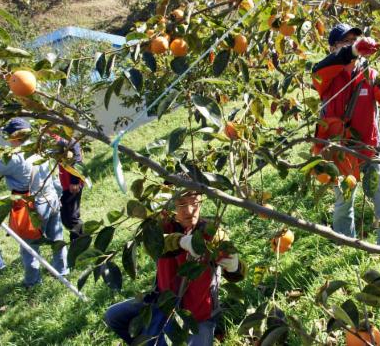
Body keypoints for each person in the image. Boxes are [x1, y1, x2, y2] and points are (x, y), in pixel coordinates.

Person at [104, 190, 246, 345]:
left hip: (199, 316)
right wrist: (180, 241)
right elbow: (154, 244)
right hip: (162, 303)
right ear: (171, 206)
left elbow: (237, 273)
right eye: (182, 204)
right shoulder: (164, 227)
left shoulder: (212, 234)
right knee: (113, 316)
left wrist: (234, 266)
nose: (190, 211)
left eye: (194, 202)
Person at [311, 24, 380, 247]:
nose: (354, 44)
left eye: (357, 40)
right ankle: (345, 244)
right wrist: (351, 52)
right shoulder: (326, 76)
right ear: (333, 47)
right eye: (347, 41)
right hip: (340, 153)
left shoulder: (369, 75)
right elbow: (319, 70)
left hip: (369, 148)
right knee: (344, 202)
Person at [0, 118, 68, 287]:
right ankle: (62, 270)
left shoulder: (13, 158)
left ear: (14, 137)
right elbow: (54, 178)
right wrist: (58, 197)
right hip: (51, 198)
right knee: (57, 238)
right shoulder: (40, 150)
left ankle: (33, 281)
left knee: (29, 246)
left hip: (31, 206)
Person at [52, 135, 85, 241]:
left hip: (71, 184)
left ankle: (79, 242)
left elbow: (77, 159)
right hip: (61, 184)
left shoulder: (66, 139)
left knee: (72, 218)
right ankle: (76, 240)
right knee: (65, 218)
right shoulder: (49, 139)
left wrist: (74, 181)